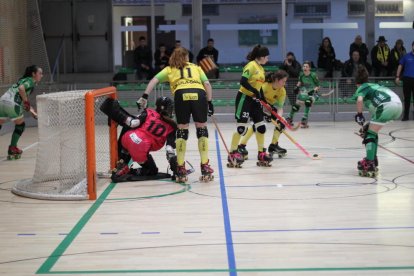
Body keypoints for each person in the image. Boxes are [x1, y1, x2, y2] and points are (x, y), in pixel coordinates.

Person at [137, 47, 214, 183]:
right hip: (199, 93)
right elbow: (207, 83)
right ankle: (205, 166)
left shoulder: (170, 69)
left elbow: (154, 80)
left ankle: (180, 167)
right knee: (202, 129)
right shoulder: (196, 67)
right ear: (186, 57)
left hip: (181, 94)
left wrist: (144, 96)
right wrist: (209, 102)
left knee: (182, 131)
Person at [100, 96, 177, 182]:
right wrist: (175, 165)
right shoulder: (171, 127)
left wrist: (116, 112)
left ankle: (122, 163)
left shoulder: (149, 112)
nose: (172, 111)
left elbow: (133, 123)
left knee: (131, 131)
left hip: (127, 138)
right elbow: (169, 149)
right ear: (164, 109)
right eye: (171, 109)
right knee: (152, 170)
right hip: (141, 148)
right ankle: (127, 171)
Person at [228, 44, 273, 168]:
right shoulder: (251, 65)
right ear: (262, 56)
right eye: (267, 57)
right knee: (241, 128)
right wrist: (254, 91)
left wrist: (265, 102)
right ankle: (233, 153)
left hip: (255, 100)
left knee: (261, 127)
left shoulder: (261, 68)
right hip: (244, 98)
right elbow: (243, 81)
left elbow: (259, 89)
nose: (268, 59)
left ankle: (261, 153)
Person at [353, 65, 402, 177]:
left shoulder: (362, 87)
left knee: (369, 134)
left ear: (357, 83)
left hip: (387, 105)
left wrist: (359, 115)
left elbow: (359, 100)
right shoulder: (374, 86)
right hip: (398, 106)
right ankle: (373, 159)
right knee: (372, 131)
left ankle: (369, 162)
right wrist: (368, 124)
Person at [237, 70, 289, 160]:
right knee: (257, 125)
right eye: (283, 81)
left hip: (269, 108)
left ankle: (273, 145)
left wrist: (279, 118)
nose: (285, 83)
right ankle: (241, 146)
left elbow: (280, 108)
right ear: (277, 79)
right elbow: (257, 99)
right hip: (256, 105)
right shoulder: (265, 86)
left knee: (281, 123)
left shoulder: (282, 91)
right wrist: (265, 113)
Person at [0, 65, 43, 160]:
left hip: (2, 101)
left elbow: (24, 101)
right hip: (11, 103)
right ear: (33, 74)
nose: (41, 75)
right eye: (40, 73)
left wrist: (32, 112)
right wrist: (26, 102)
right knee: (21, 125)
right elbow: (21, 89)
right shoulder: (30, 81)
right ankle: (13, 148)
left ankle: (13, 147)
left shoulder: (23, 79)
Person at [286, 61, 320, 128]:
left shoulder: (313, 75)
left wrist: (313, 90)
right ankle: (289, 118)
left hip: (313, 94)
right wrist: (297, 87)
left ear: (309, 68)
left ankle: (304, 120)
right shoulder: (301, 75)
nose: (305, 68)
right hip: (305, 92)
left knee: (308, 102)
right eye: (304, 66)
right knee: (296, 106)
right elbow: (299, 82)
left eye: (306, 66)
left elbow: (318, 86)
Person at [396, 41, 414, 121]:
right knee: (407, 98)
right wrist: (397, 76)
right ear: (412, 46)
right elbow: (400, 66)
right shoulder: (406, 56)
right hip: (407, 79)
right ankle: (406, 116)